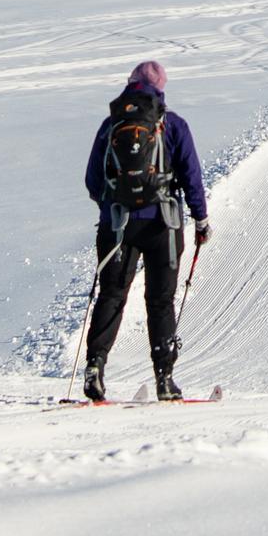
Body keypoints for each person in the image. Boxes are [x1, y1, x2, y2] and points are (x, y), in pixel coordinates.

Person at [79, 59, 207, 403]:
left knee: (112, 295)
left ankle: (95, 369)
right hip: (162, 225)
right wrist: (201, 219)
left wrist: (113, 207)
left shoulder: (111, 125)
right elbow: (192, 176)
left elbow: (92, 180)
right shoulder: (172, 124)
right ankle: (165, 379)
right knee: (160, 301)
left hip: (117, 226)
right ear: (161, 88)